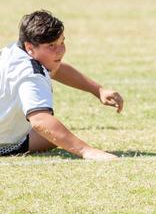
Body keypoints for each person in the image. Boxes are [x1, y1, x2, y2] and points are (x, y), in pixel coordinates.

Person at [0, 10, 123, 159]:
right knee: (50, 133)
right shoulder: (31, 74)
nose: (60, 50)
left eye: (62, 42)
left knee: (52, 137)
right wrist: (87, 151)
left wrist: (98, 90)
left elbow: (56, 70)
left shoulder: (14, 50)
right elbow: (40, 120)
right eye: (51, 45)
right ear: (30, 48)